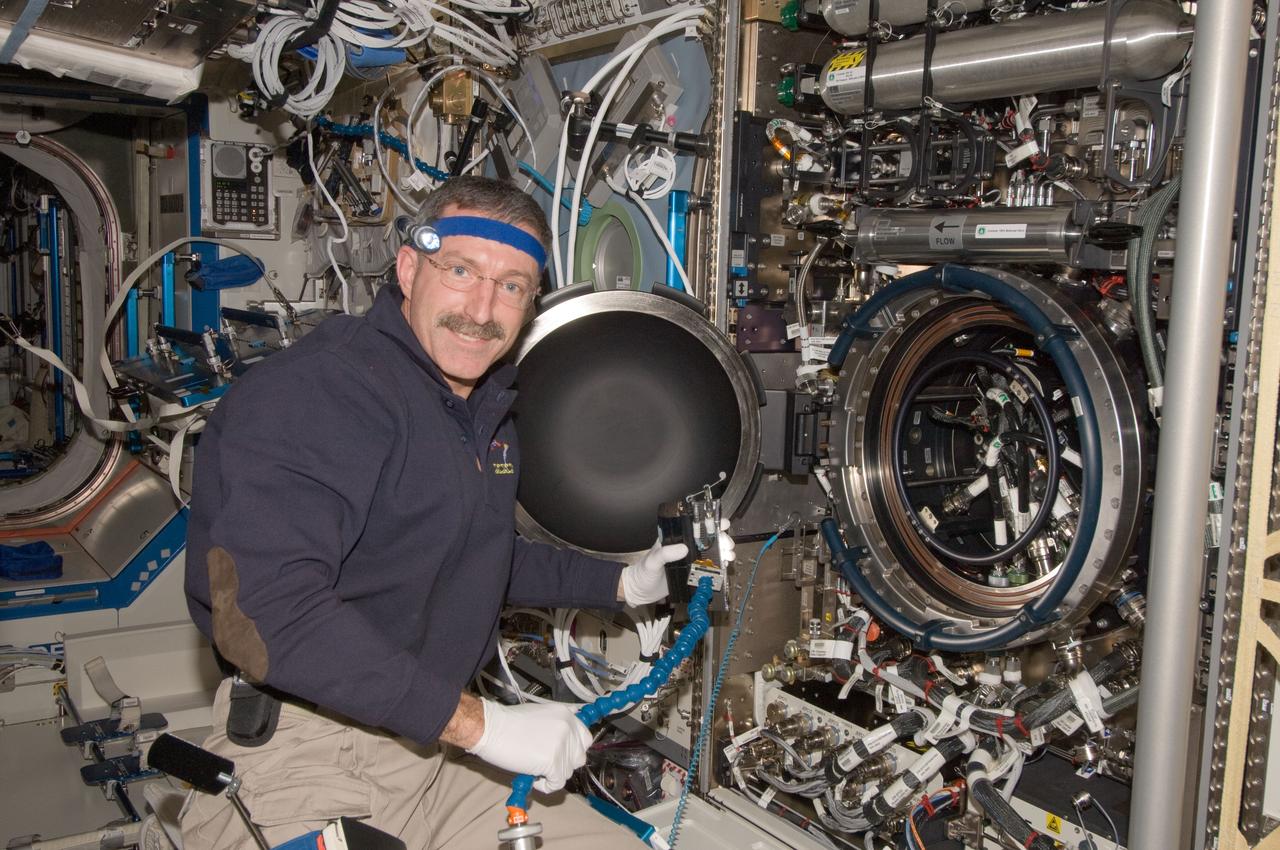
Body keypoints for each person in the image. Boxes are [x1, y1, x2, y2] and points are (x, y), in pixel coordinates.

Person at [180, 176, 726, 850]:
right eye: (462, 271)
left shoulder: (480, 406)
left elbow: (473, 547)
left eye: (512, 286)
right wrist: (485, 728)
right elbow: (263, 614)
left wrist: (620, 583)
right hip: (309, 751)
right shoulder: (324, 392)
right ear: (410, 268)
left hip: (430, 754)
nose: (481, 308)